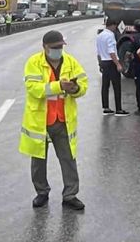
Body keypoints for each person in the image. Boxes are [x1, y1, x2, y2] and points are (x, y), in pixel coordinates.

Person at [20, 30, 88, 211]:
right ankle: (42, 192)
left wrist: (74, 89)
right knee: (38, 160)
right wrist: (59, 86)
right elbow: (33, 88)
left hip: (63, 120)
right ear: (45, 47)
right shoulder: (34, 62)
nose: (59, 50)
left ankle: (70, 195)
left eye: (61, 47)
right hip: (40, 120)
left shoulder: (71, 62)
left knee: (68, 159)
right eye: (55, 47)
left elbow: (84, 85)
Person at [96, 18, 128, 116]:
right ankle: (118, 109)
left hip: (103, 62)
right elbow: (111, 52)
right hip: (111, 63)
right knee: (116, 86)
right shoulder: (110, 35)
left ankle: (106, 107)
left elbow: (98, 52)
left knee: (105, 86)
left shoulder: (99, 35)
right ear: (113, 25)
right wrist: (118, 64)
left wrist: (99, 63)